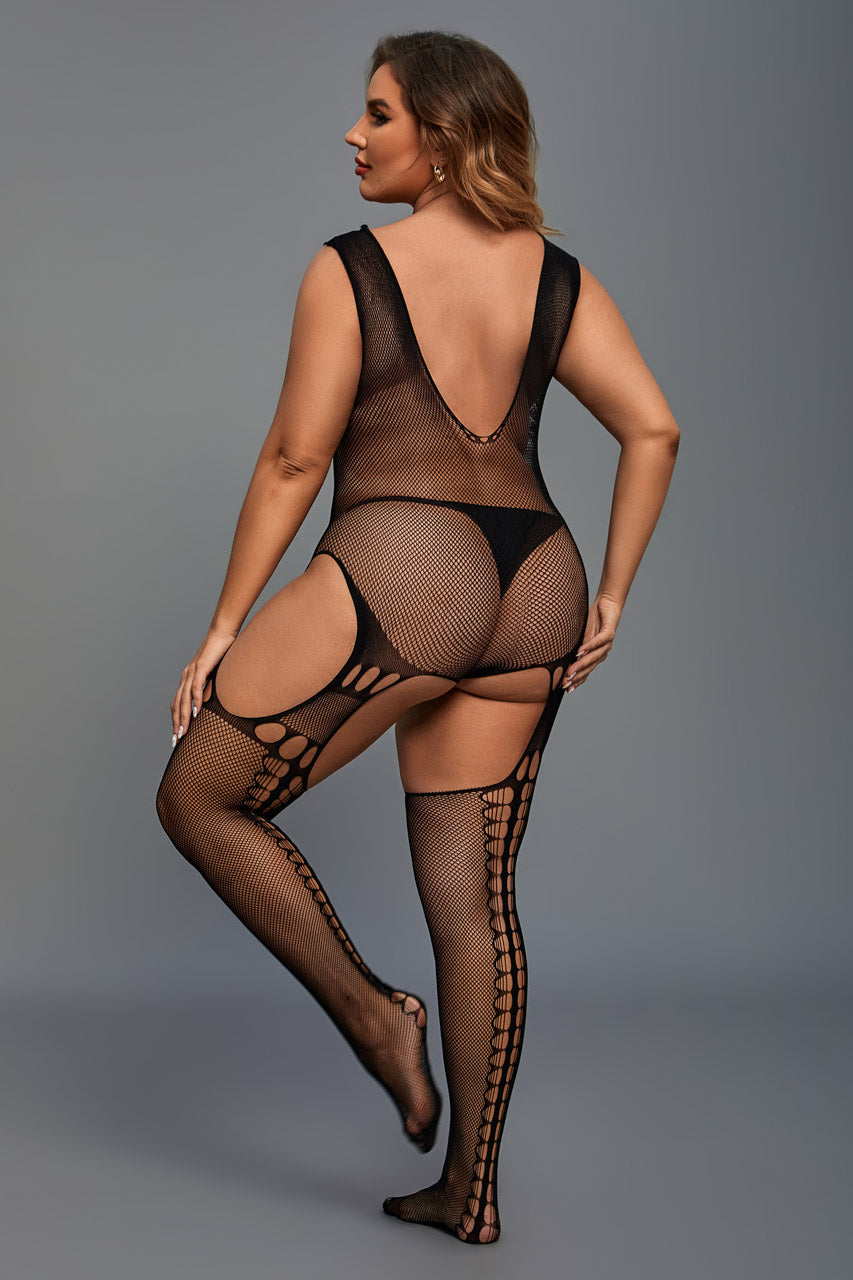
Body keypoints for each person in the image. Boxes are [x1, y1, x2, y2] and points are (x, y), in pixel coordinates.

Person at [155, 29, 680, 1246]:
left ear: (440, 139)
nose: (354, 133)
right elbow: (652, 427)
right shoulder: (556, 276)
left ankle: (373, 1015)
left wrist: (224, 622)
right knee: (475, 900)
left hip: (408, 562)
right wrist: (611, 593)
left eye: (379, 114)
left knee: (199, 798)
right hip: (538, 579)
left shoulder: (352, 267)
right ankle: (470, 1189)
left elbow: (295, 459)